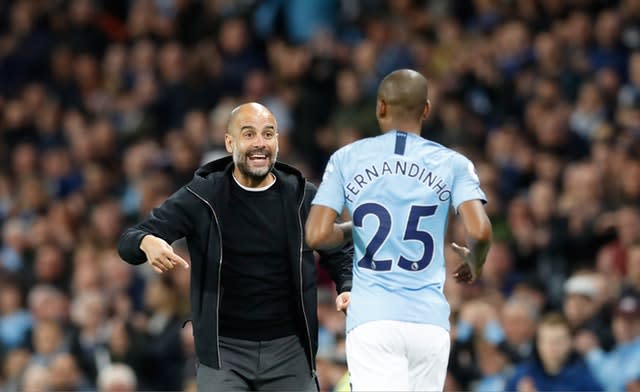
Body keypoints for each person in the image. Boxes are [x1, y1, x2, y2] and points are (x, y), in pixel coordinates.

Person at [117, 102, 353, 391]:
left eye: (268, 134)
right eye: (249, 134)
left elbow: (339, 250)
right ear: (230, 142)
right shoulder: (203, 196)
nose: (260, 143)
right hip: (224, 352)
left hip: (290, 349)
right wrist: (146, 241)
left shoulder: (302, 196)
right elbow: (130, 240)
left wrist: (347, 286)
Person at [305, 69, 492, 391]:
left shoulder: (346, 158)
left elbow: (317, 235)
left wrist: (357, 228)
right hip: (429, 322)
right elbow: (480, 231)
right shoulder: (453, 163)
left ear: (380, 107)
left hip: (373, 319)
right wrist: (475, 262)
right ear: (426, 109)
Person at [505, 312, 602, 391]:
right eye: (547, 340)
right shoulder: (521, 376)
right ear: (538, 343)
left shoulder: (584, 379)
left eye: (558, 341)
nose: (552, 347)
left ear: (570, 343)